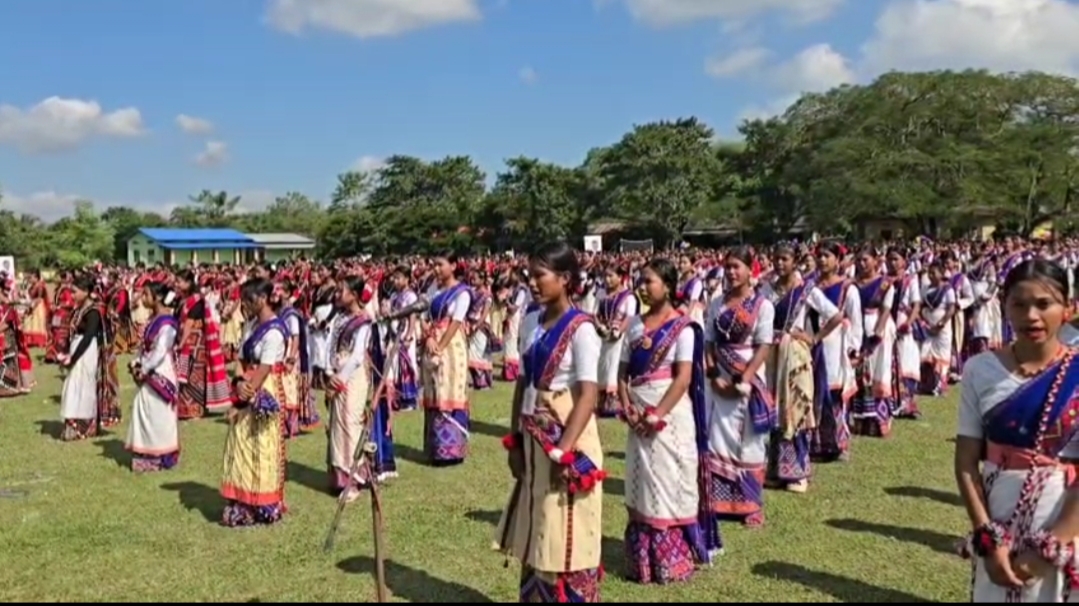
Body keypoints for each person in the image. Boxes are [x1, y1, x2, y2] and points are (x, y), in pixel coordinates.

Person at [955, 259, 1079, 602]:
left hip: (1065, 519)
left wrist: (1048, 548)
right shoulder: (979, 370)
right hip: (998, 515)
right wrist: (987, 539)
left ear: (1068, 308)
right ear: (1004, 306)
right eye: (1019, 304)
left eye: (1044, 304)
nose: (1031, 316)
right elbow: (966, 461)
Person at [496, 241, 606, 602]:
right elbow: (523, 385)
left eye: (539, 275)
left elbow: (588, 394)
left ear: (565, 278)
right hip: (533, 438)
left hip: (565, 441)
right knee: (537, 520)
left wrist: (563, 451)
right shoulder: (531, 320)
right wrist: (514, 439)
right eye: (530, 275)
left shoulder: (582, 329)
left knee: (565, 527)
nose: (532, 282)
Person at [619, 257, 719, 585]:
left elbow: (682, 378)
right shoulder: (633, 325)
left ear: (669, 285)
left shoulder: (683, 326)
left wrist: (656, 415)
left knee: (670, 479)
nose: (643, 287)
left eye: (649, 281)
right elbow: (622, 373)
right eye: (640, 281)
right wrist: (628, 408)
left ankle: (672, 559)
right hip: (638, 414)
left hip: (669, 417)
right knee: (642, 482)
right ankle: (642, 561)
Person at [703, 247, 775, 527]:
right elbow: (709, 341)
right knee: (716, 437)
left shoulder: (762, 306)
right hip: (717, 375)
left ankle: (750, 504)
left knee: (748, 442)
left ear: (750, 269)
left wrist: (743, 380)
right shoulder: (717, 303)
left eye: (737, 267)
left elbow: (763, 346)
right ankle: (717, 502)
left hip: (746, 376)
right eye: (728, 267)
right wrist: (712, 375)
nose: (732, 272)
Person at [220, 278, 289, 527]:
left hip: (263, 390)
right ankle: (243, 498)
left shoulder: (274, 331)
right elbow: (240, 358)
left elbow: (264, 368)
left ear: (262, 299)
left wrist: (241, 398)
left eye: (248, 300)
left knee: (260, 445)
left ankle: (263, 501)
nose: (245, 306)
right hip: (246, 384)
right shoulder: (250, 325)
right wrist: (238, 380)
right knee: (241, 443)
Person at [325, 276, 378, 496]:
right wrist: (329, 372)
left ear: (354, 295)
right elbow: (330, 346)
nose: (337, 294)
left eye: (341, 291)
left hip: (353, 377)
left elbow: (357, 356)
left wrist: (340, 379)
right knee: (337, 425)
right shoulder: (338, 318)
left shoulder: (364, 321)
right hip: (337, 374)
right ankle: (340, 476)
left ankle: (353, 479)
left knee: (350, 422)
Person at [420, 252, 472, 466]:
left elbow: (456, 322)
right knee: (434, 391)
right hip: (432, 343)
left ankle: (452, 451)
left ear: (453, 265)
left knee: (449, 391)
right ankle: (435, 449)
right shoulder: (433, 289)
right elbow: (423, 316)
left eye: (440, 265)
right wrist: (429, 338)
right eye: (434, 265)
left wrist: (439, 347)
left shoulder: (462, 293)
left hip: (451, 349)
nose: (436, 269)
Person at [125, 282, 180, 472]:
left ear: (156, 298)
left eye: (146, 294)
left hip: (161, 372)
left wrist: (144, 368)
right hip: (150, 370)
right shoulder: (154, 319)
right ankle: (147, 452)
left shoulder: (167, 322)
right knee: (144, 410)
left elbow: (160, 351)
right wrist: (137, 362)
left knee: (158, 414)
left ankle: (160, 455)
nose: (142, 297)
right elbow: (146, 348)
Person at [58, 275, 120, 441]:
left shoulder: (93, 312)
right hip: (77, 349)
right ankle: (73, 424)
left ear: (86, 292)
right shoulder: (78, 310)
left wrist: (73, 357)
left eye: (75, 291)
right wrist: (65, 352)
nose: (72, 295)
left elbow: (88, 337)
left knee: (84, 386)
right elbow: (73, 333)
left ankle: (85, 426)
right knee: (73, 386)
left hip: (87, 352)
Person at [173, 270, 231, 420]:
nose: (177, 285)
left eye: (179, 282)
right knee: (187, 374)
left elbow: (189, 324)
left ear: (189, 283)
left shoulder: (196, 300)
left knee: (194, 375)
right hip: (190, 341)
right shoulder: (183, 299)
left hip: (195, 342)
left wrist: (182, 342)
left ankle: (195, 409)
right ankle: (186, 408)